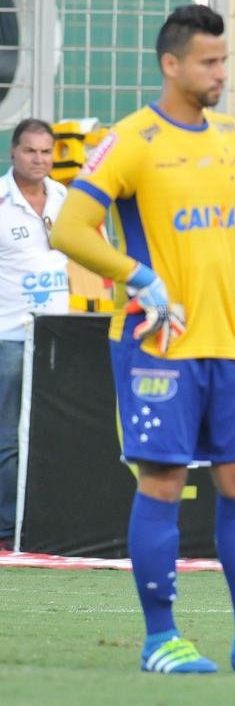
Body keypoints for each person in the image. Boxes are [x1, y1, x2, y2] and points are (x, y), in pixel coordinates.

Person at [50, 4, 235, 674]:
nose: (221, 73)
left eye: (225, 60)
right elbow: (71, 228)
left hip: (225, 343)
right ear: (171, 64)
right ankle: (160, 637)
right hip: (157, 342)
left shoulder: (232, 138)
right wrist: (135, 273)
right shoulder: (131, 139)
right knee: (165, 480)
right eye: (209, 61)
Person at [0, 118, 69, 552]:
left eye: (47, 152)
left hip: (60, 335)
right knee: (7, 436)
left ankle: (43, 525)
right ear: (13, 151)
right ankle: (8, 530)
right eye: (31, 151)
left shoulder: (65, 197)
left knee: (53, 433)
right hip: (8, 333)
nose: (39, 159)